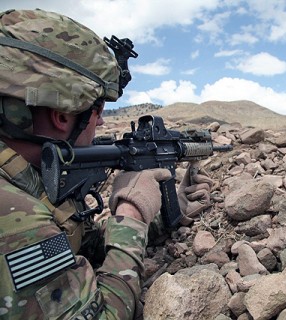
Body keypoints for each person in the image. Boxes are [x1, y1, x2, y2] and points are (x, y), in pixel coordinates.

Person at [0, 8, 212, 319]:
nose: (100, 121)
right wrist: (131, 213)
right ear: (62, 115)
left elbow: (75, 246)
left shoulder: (21, 178)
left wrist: (159, 213)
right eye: (98, 108)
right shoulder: (15, 214)